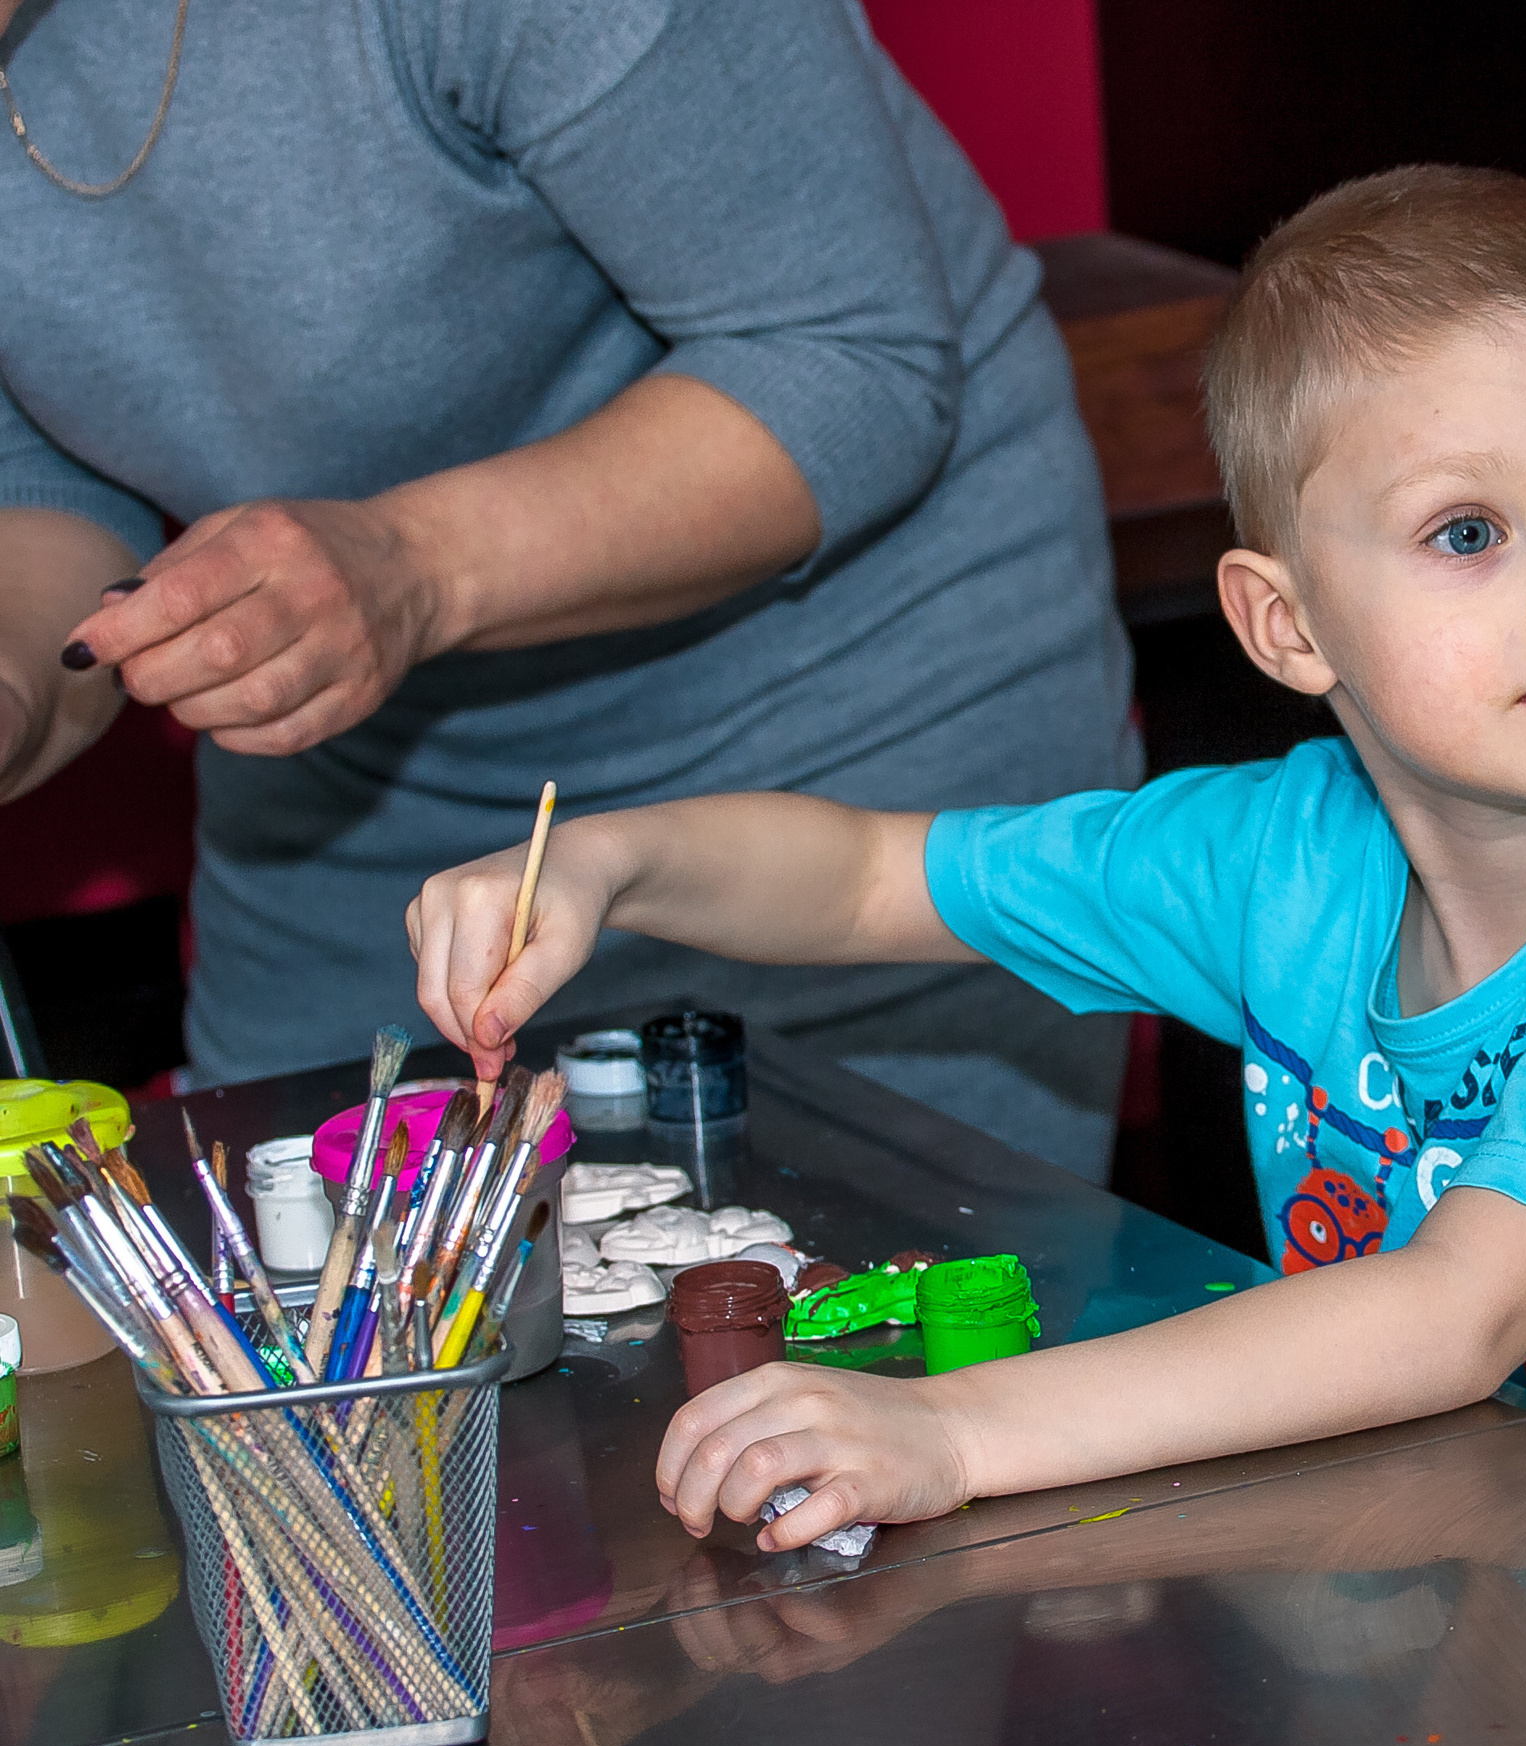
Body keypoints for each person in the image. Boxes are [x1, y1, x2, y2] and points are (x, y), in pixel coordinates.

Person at [410, 166, 1526, 1583]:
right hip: (1508, 1574)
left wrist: (952, 1433)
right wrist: (609, 862)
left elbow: (1459, 1313)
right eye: (1471, 532)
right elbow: (866, 878)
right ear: (1286, 623)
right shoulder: (1283, 855)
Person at [0, 0, 1134, 1175]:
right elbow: (38, 478)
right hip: (357, 822)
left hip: (844, 768)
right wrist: (18, 678)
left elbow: (849, 363)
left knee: (892, 1331)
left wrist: (403, 570)